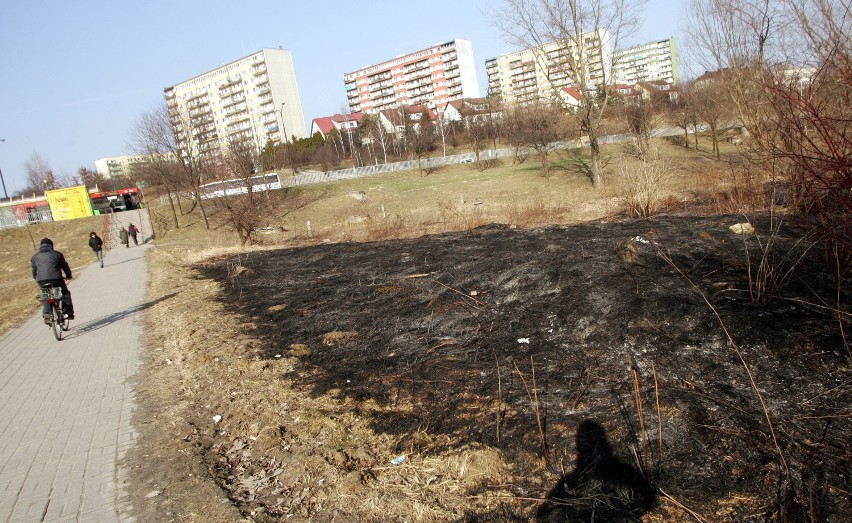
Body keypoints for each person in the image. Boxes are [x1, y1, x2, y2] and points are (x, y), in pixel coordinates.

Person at [31, 238, 74, 322]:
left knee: (45, 295)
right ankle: (68, 312)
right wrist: (68, 275)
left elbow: (34, 270)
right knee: (65, 293)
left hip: (41, 280)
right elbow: (65, 266)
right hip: (56, 279)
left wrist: (36, 278)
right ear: (51, 246)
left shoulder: (34, 257)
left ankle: (47, 312)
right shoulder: (57, 254)